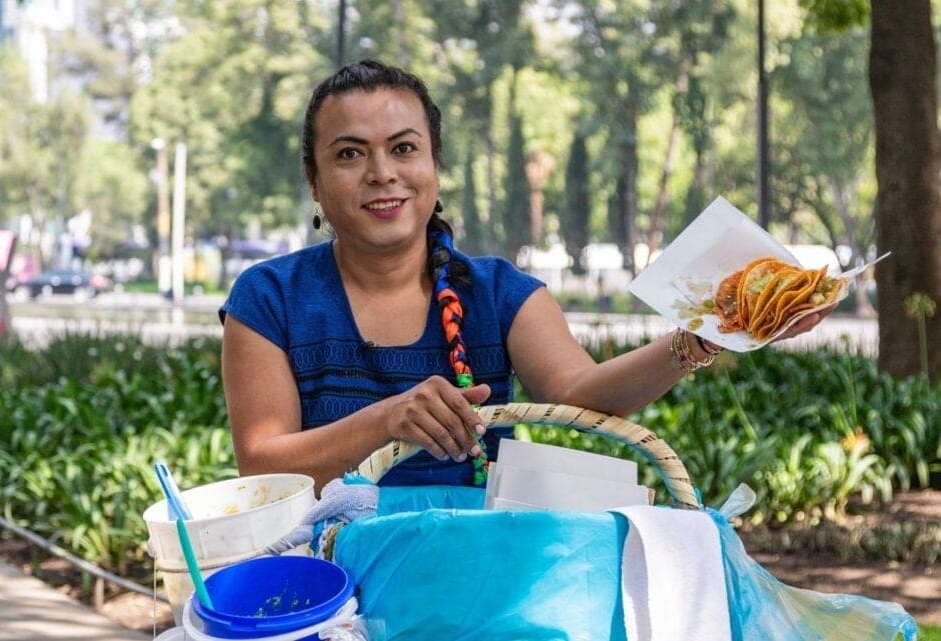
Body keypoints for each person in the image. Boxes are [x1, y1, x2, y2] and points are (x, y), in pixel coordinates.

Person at [219, 59, 827, 493]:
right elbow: (262, 465)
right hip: (325, 581)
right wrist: (385, 420)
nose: (382, 172)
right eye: (350, 153)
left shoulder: (499, 293)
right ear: (315, 181)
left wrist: (701, 337)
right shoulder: (268, 297)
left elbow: (582, 394)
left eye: (404, 148)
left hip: (484, 574)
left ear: (434, 165)